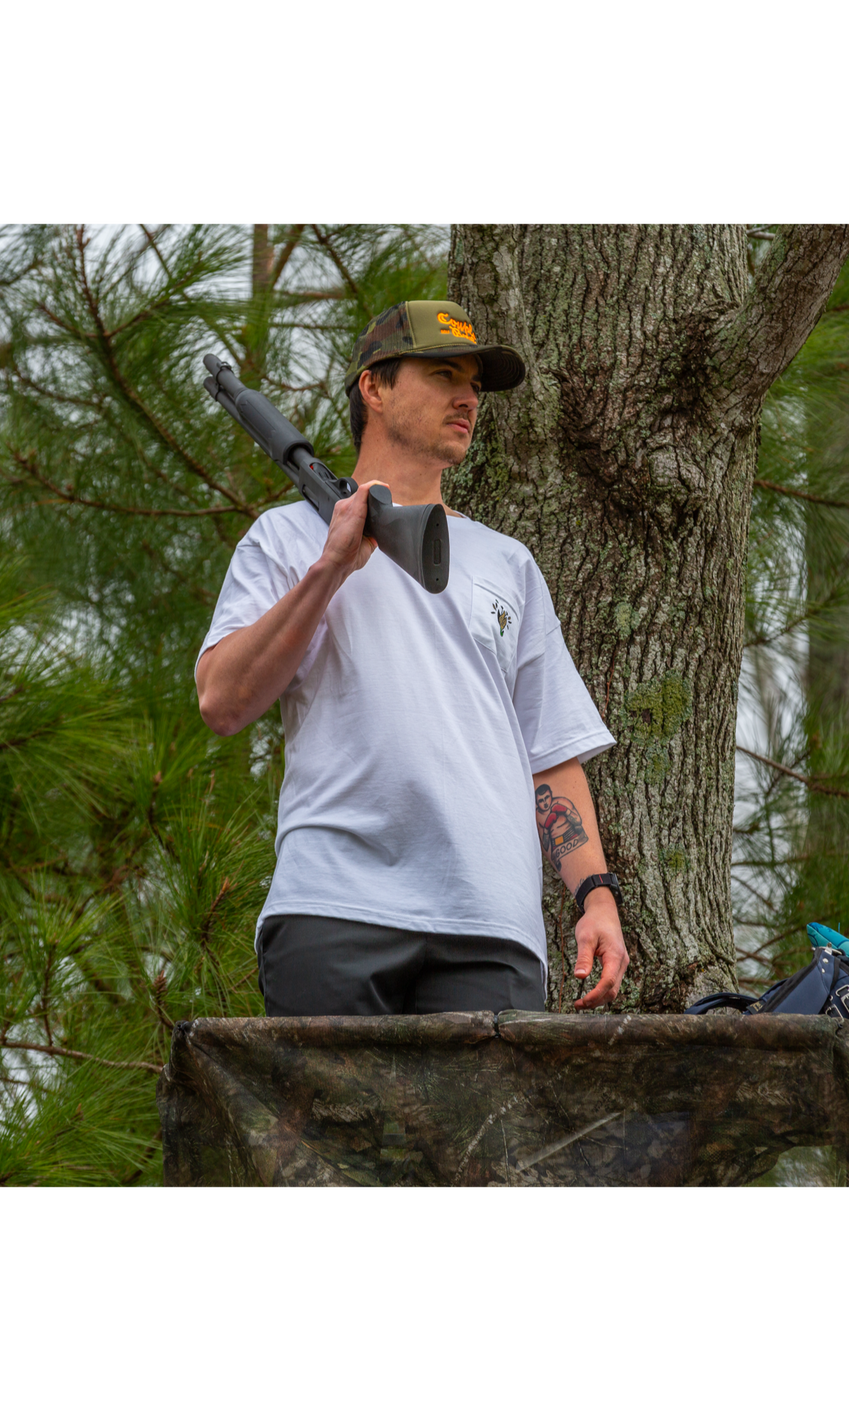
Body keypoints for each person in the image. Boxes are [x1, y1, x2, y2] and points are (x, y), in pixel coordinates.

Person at [195, 299, 628, 1015]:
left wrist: (596, 895)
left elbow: (550, 756)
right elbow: (222, 700)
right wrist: (330, 567)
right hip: (332, 907)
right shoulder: (283, 538)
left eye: (474, 385)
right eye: (442, 374)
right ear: (374, 387)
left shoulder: (507, 562)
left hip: (490, 926)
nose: (467, 398)